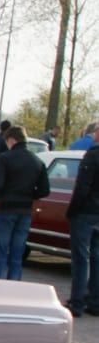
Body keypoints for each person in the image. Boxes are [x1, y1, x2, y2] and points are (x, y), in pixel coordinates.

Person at [0, 125, 50, 281]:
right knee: (16, 256)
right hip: (25, 211)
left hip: (6, 210)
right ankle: (14, 288)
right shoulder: (37, 161)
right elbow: (45, 190)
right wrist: (29, 196)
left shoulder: (4, 158)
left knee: (0, 254)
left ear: (11, 140)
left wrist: (2, 196)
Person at [67, 122, 99, 315]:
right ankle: (94, 302)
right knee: (96, 257)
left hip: (86, 212)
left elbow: (82, 188)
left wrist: (72, 211)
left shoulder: (93, 156)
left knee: (81, 258)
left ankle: (77, 302)